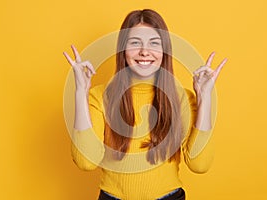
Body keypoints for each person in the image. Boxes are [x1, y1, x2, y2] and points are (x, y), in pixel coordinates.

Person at [63, 9, 227, 200]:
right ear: (123, 50)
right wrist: (80, 92)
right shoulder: (99, 96)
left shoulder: (181, 97)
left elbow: (200, 165)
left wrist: (204, 98)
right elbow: (85, 162)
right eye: (135, 43)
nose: (144, 51)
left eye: (154, 43)